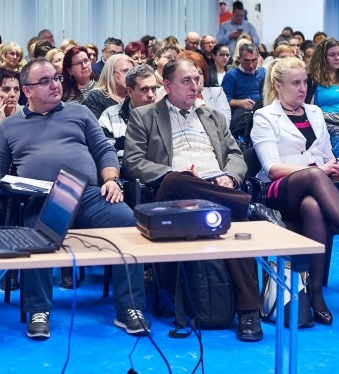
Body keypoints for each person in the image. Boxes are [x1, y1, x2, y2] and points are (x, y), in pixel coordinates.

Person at [0, 59, 148, 339]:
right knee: (34, 237)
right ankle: (39, 310)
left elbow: (104, 151)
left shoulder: (80, 113)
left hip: (89, 194)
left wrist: (110, 179)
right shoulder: (8, 127)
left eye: (56, 78)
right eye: (45, 81)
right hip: (42, 198)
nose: (55, 85)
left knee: (127, 225)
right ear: (27, 91)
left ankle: (130, 308)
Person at [122, 59, 274, 343]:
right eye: (186, 81)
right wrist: (173, 172)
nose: (195, 86)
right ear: (167, 85)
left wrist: (230, 178)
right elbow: (132, 162)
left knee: (233, 224)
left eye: (197, 79)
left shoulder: (213, 116)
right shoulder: (144, 116)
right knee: (177, 179)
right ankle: (247, 205)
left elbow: (235, 155)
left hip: (217, 189)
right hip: (172, 195)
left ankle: (249, 312)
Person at [252, 57, 339, 325]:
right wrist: (318, 168)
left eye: (305, 82)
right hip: (276, 191)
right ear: (278, 86)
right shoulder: (264, 116)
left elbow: (326, 156)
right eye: (295, 83)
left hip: (312, 190)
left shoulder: (314, 112)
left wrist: (338, 163)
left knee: (313, 207)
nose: (303, 88)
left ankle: (316, 295)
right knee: (315, 174)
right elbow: (272, 168)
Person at [305, 39, 339, 159]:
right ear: (323, 57)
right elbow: (308, 109)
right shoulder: (313, 80)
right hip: (327, 123)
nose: (337, 58)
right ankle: (332, 166)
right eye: (332, 55)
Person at [98, 64, 158, 158]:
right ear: (130, 92)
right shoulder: (110, 116)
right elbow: (105, 154)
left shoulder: (165, 114)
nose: (151, 95)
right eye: (144, 89)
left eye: (153, 88)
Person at [173, 50, 231, 125]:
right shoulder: (175, 96)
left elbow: (225, 122)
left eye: (200, 73)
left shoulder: (217, 93)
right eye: (190, 75)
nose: (197, 78)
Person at [82, 54, 134, 120]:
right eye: (125, 71)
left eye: (132, 71)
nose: (130, 75)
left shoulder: (134, 95)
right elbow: (90, 124)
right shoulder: (96, 96)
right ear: (110, 73)